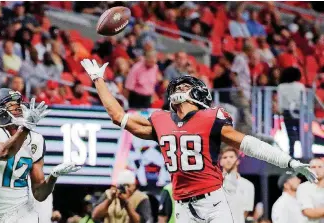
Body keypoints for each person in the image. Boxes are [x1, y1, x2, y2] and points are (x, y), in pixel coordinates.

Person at [80, 58, 316, 222]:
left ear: (198, 95)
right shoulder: (161, 120)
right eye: (178, 85)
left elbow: (248, 143)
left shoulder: (210, 117)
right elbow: (118, 115)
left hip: (213, 204)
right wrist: (98, 80)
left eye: (185, 85)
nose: (179, 87)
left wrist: (289, 162)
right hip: (182, 207)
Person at [0, 88, 81, 223]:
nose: (19, 109)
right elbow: (3, 153)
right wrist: (26, 127)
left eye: (19, 105)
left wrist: (53, 176)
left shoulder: (36, 140)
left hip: (27, 215)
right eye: (12, 106)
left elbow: (39, 194)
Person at [220, 147, 255, 223]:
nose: (228, 160)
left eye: (231, 157)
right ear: (220, 162)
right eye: (225, 157)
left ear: (237, 161)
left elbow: (245, 211)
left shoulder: (248, 185)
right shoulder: (215, 185)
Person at [277, 67, 305, 157]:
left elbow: (280, 102)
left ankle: (291, 153)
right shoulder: (300, 86)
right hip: (298, 112)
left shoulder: (281, 87)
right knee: (300, 132)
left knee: (290, 133)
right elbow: (303, 101)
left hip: (287, 112)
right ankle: (304, 153)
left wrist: (280, 111)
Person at [297, 158, 324, 223]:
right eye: (313, 167)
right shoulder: (303, 187)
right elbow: (308, 212)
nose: (317, 169)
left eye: (320, 167)